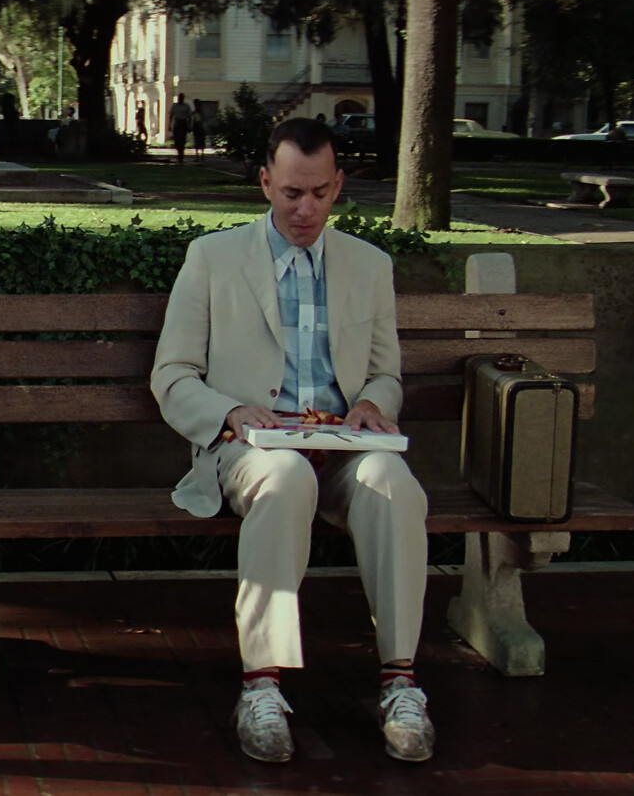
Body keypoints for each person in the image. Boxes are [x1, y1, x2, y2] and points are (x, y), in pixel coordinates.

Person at [149, 117, 434, 765]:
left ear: (338, 185)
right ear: (264, 183)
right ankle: (262, 686)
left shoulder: (369, 265)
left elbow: (386, 373)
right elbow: (172, 375)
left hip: (343, 449)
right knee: (284, 475)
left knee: (393, 483)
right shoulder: (213, 258)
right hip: (249, 449)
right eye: (291, 193)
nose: (306, 209)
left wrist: (372, 404)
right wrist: (232, 412)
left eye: (320, 193)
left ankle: (401, 682)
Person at [171, 95, 193, 163]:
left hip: (183, 122)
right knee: (176, 139)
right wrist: (170, 124)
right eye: (179, 98)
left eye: (181, 98)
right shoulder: (175, 106)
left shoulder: (186, 106)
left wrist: (189, 125)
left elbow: (189, 116)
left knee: (182, 139)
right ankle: (178, 150)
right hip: (177, 122)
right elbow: (171, 115)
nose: (180, 99)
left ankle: (181, 154)